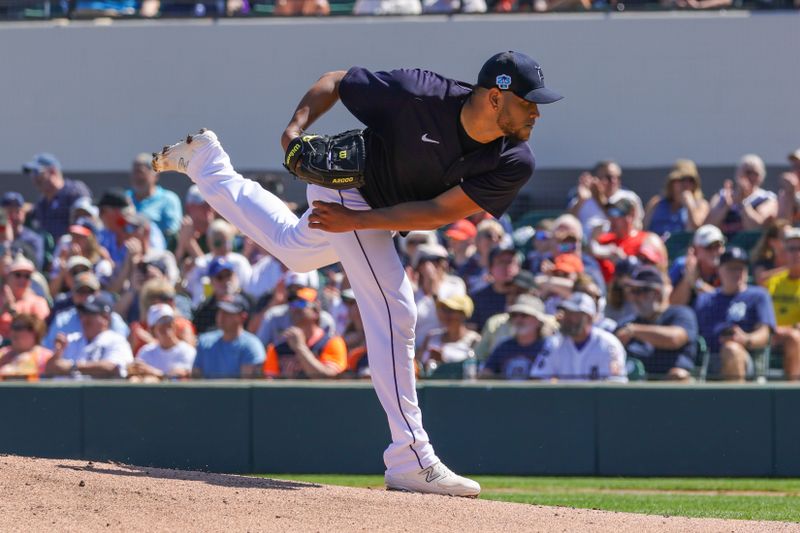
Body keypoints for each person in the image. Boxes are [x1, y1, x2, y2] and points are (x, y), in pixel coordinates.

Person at [152, 50, 563, 497]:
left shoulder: (515, 159)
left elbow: (437, 212)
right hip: (346, 187)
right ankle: (410, 457)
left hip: (370, 214)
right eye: (529, 101)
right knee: (396, 308)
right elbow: (334, 81)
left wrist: (357, 224)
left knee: (295, 251)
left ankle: (206, 163)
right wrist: (294, 131)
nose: (537, 112)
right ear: (496, 98)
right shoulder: (418, 93)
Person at [694, 247, 775, 381]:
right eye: (731, 268)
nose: (737, 273)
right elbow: (697, 333)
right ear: (719, 269)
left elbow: (765, 333)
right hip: (710, 359)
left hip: (747, 358)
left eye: (741, 268)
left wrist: (744, 339)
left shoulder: (758, 295)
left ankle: (737, 401)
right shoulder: (705, 299)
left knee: (731, 349)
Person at [615, 266, 698, 380]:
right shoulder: (626, 322)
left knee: (678, 375)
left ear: (657, 293)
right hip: (634, 386)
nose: (634, 297)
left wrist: (634, 331)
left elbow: (674, 338)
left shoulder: (681, 313)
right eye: (632, 291)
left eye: (639, 291)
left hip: (672, 387)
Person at [530, 292, 627, 382]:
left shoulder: (608, 344)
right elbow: (538, 379)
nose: (567, 318)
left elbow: (615, 385)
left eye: (574, 314)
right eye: (566, 312)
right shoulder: (555, 343)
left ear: (589, 318)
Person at [263, 287, 347, 379]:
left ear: (316, 311)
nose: (295, 308)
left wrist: (300, 348)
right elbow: (269, 385)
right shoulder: (278, 347)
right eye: (292, 304)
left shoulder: (332, 342)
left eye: (301, 303)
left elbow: (329, 378)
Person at [44, 293, 134, 379]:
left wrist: (73, 367)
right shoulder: (71, 339)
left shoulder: (117, 341)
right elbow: (50, 369)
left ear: (105, 318)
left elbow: (113, 368)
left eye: (90, 314)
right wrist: (56, 354)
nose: (84, 318)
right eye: (83, 314)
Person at [43, 272, 129, 350]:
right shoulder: (63, 319)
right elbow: (49, 349)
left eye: (90, 291)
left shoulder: (112, 318)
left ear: (98, 293)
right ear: (73, 294)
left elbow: (121, 348)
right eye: (81, 291)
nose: (85, 296)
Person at [479, 294, 553, 380]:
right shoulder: (504, 346)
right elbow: (486, 374)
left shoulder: (549, 347)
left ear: (539, 321)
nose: (518, 319)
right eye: (514, 315)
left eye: (524, 315)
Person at [193, 294, 265, 379]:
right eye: (220, 311)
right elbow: (195, 379)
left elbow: (246, 386)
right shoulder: (204, 341)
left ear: (243, 317)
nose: (221, 316)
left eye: (228, 313)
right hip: (206, 392)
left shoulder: (251, 345)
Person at [23, 153, 91, 240]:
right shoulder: (42, 202)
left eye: (37, 173)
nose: (34, 178)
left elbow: (86, 226)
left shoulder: (74, 192)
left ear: (53, 171)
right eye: (32, 174)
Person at [567, 160, 643, 237]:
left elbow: (635, 225)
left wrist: (599, 198)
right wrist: (581, 200)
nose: (614, 181)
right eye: (609, 177)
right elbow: (567, 224)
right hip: (587, 245)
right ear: (596, 179)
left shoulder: (629, 197)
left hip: (618, 245)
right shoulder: (582, 199)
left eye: (617, 177)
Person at [706, 154, 777, 235]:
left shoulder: (767, 198)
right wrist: (726, 206)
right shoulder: (721, 196)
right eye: (748, 172)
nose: (751, 177)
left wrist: (743, 203)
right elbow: (709, 226)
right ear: (738, 173)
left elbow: (756, 228)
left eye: (755, 173)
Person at [763, 226, 800, 380]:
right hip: (769, 335)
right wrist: (770, 330)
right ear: (784, 252)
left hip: (794, 336)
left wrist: (784, 330)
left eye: (799, 248)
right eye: (791, 249)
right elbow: (759, 311)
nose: (796, 253)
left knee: (794, 337)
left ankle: (792, 391)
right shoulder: (772, 281)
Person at [128, 304, 196, 381]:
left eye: (168, 321)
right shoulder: (146, 351)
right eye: (161, 322)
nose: (166, 326)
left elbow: (182, 376)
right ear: (153, 330)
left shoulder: (187, 351)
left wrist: (153, 372)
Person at [644, 159, 709, 237]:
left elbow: (699, 228)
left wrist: (690, 205)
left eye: (690, 180)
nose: (686, 184)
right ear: (671, 182)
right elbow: (643, 229)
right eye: (681, 180)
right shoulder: (656, 203)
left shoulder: (701, 205)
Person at [126, 153, 183, 239]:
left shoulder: (169, 200)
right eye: (134, 172)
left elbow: (173, 234)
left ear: (155, 175)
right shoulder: (125, 198)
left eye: (140, 172)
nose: (137, 177)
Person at [418, 294, 480, 372]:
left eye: (451, 311)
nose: (446, 315)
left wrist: (443, 363)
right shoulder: (431, 336)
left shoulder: (474, 340)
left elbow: (474, 371)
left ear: (463, 314)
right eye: (443, 310)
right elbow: (417, 364)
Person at [669, 224, 725, 307]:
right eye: (709, 247)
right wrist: (687, 279)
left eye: (718, 246)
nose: (714, 252)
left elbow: (725, 303)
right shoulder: (681, 265)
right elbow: (672, 305)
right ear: (695, 250)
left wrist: (697, 284)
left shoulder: (728, 266)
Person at [469, 245, 522, 331]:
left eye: (510, 262)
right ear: (490, 268)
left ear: (519, 267)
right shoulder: (478, 299)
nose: (507, 267)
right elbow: (471, 329)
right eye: (501, 262)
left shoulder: (526, 295)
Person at [0, 256, 50, 340]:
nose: (22, 279)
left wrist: (13, 311)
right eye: (18, 275)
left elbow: (39, 331)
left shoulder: (38, 302)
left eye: (27, 276)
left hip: (24, 349)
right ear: (7, 277)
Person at [0, 192, 45, 270]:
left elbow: (36, 267)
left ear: (24, 213)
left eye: (17, 211)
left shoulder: (34, 239)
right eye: (9, 212)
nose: (13, 216)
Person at [0, 314, 52, 379]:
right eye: (13, 327)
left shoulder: (45, 357)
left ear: (34, 331)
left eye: (19, 328)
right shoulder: (2, 353)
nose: (14, 331)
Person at [751, 219, 790, 286]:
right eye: (785, 238)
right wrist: (790, 268)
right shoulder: (763, 261)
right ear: (772, 242)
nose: (790, 241)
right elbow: (761, 280)